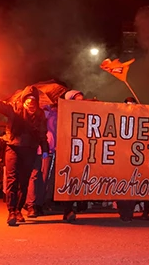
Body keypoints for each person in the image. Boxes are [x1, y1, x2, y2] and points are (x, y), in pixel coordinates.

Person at [0, 83, 49, 226]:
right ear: (24, 99)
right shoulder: (14, 109)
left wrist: (45, 150)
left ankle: (18, 210)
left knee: (24, 182)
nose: (31, 102)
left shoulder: (40, 115)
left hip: (30, 150)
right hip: (13, 148)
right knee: (11, 180)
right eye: (28, 98)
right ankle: (11, 212)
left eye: (34, 99)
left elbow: (42, 134)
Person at [60, 90, 84, 222]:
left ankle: (77, 205)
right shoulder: (64, 114)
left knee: (79, 180)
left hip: (81, 151)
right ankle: (67, 210)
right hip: (67, 150)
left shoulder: (85, 113)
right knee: (67, 180)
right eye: (77, 100)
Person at [116, 97, 138, 222]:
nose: (131, 107)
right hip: (121, 157)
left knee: (133, 186)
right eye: (129, 104)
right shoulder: (118, 117)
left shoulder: (141, 118)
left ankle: (129, 212)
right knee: (121, 185)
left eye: (133, 104)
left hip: (135, 157)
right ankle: (123, 211)